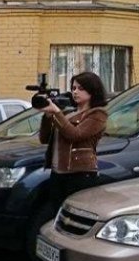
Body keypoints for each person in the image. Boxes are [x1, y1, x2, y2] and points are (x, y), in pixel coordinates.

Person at [38, 71, 109, 210]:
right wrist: (47, 115)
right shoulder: (68, 114)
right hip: (58, 172)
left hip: (80, 173)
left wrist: (56, 113)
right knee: (57, 211)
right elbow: (44, 139)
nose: (75, 92)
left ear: (92, 91)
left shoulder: (97, 114)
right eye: (73, 88)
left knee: (78, 211)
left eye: (81, 88)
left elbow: (75, 134)